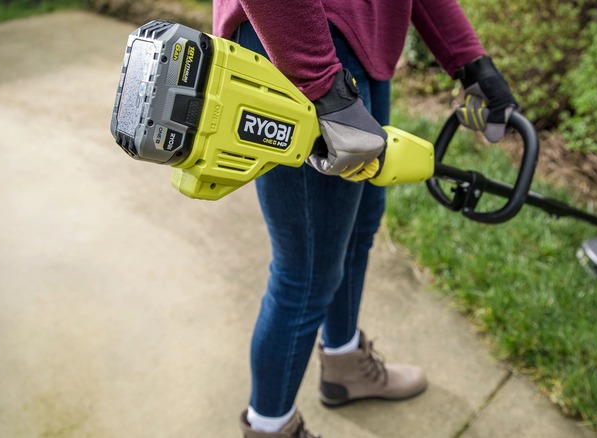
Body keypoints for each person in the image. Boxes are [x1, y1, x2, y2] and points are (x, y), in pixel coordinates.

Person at [212, 1, 519, 436]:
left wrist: (470, 60)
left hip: (362, 45)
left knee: (357, 229)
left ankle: (344, 364)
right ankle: (269, 427)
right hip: (298, 40)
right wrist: (320, 85)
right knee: (305, 270)